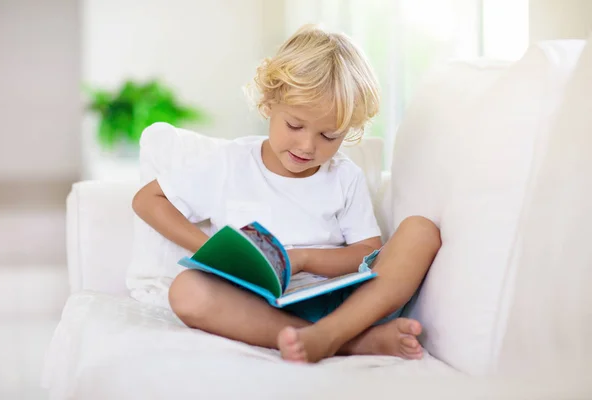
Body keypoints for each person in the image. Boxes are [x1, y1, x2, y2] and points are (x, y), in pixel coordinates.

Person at [132, 24, 441, 363]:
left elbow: (366, 251)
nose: (308, 146)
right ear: (269, 103)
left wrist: (304, 259)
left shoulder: (343, 176)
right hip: (258, 304)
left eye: (329, 136)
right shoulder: (229, 163)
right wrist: (212, 251)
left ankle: (333, 333)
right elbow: (147, 200)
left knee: (421, 231)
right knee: (187, 291)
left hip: (343, 301)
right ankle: (351, 342)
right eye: (295, 126)